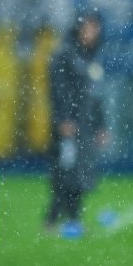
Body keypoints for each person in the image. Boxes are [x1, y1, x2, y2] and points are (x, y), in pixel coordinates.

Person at [45, 12, 107, 238]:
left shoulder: (91, 58)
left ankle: (71, 219)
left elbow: (96, 95)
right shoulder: (65, 55)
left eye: (95, 28)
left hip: (86, 127)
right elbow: (57, 90)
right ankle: (53, 220)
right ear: (78, 29)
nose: (92, 33)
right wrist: (63, 119)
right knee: (65, 172)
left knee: (80, 173)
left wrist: (101, 125)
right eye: (89, 28)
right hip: (68, 127)